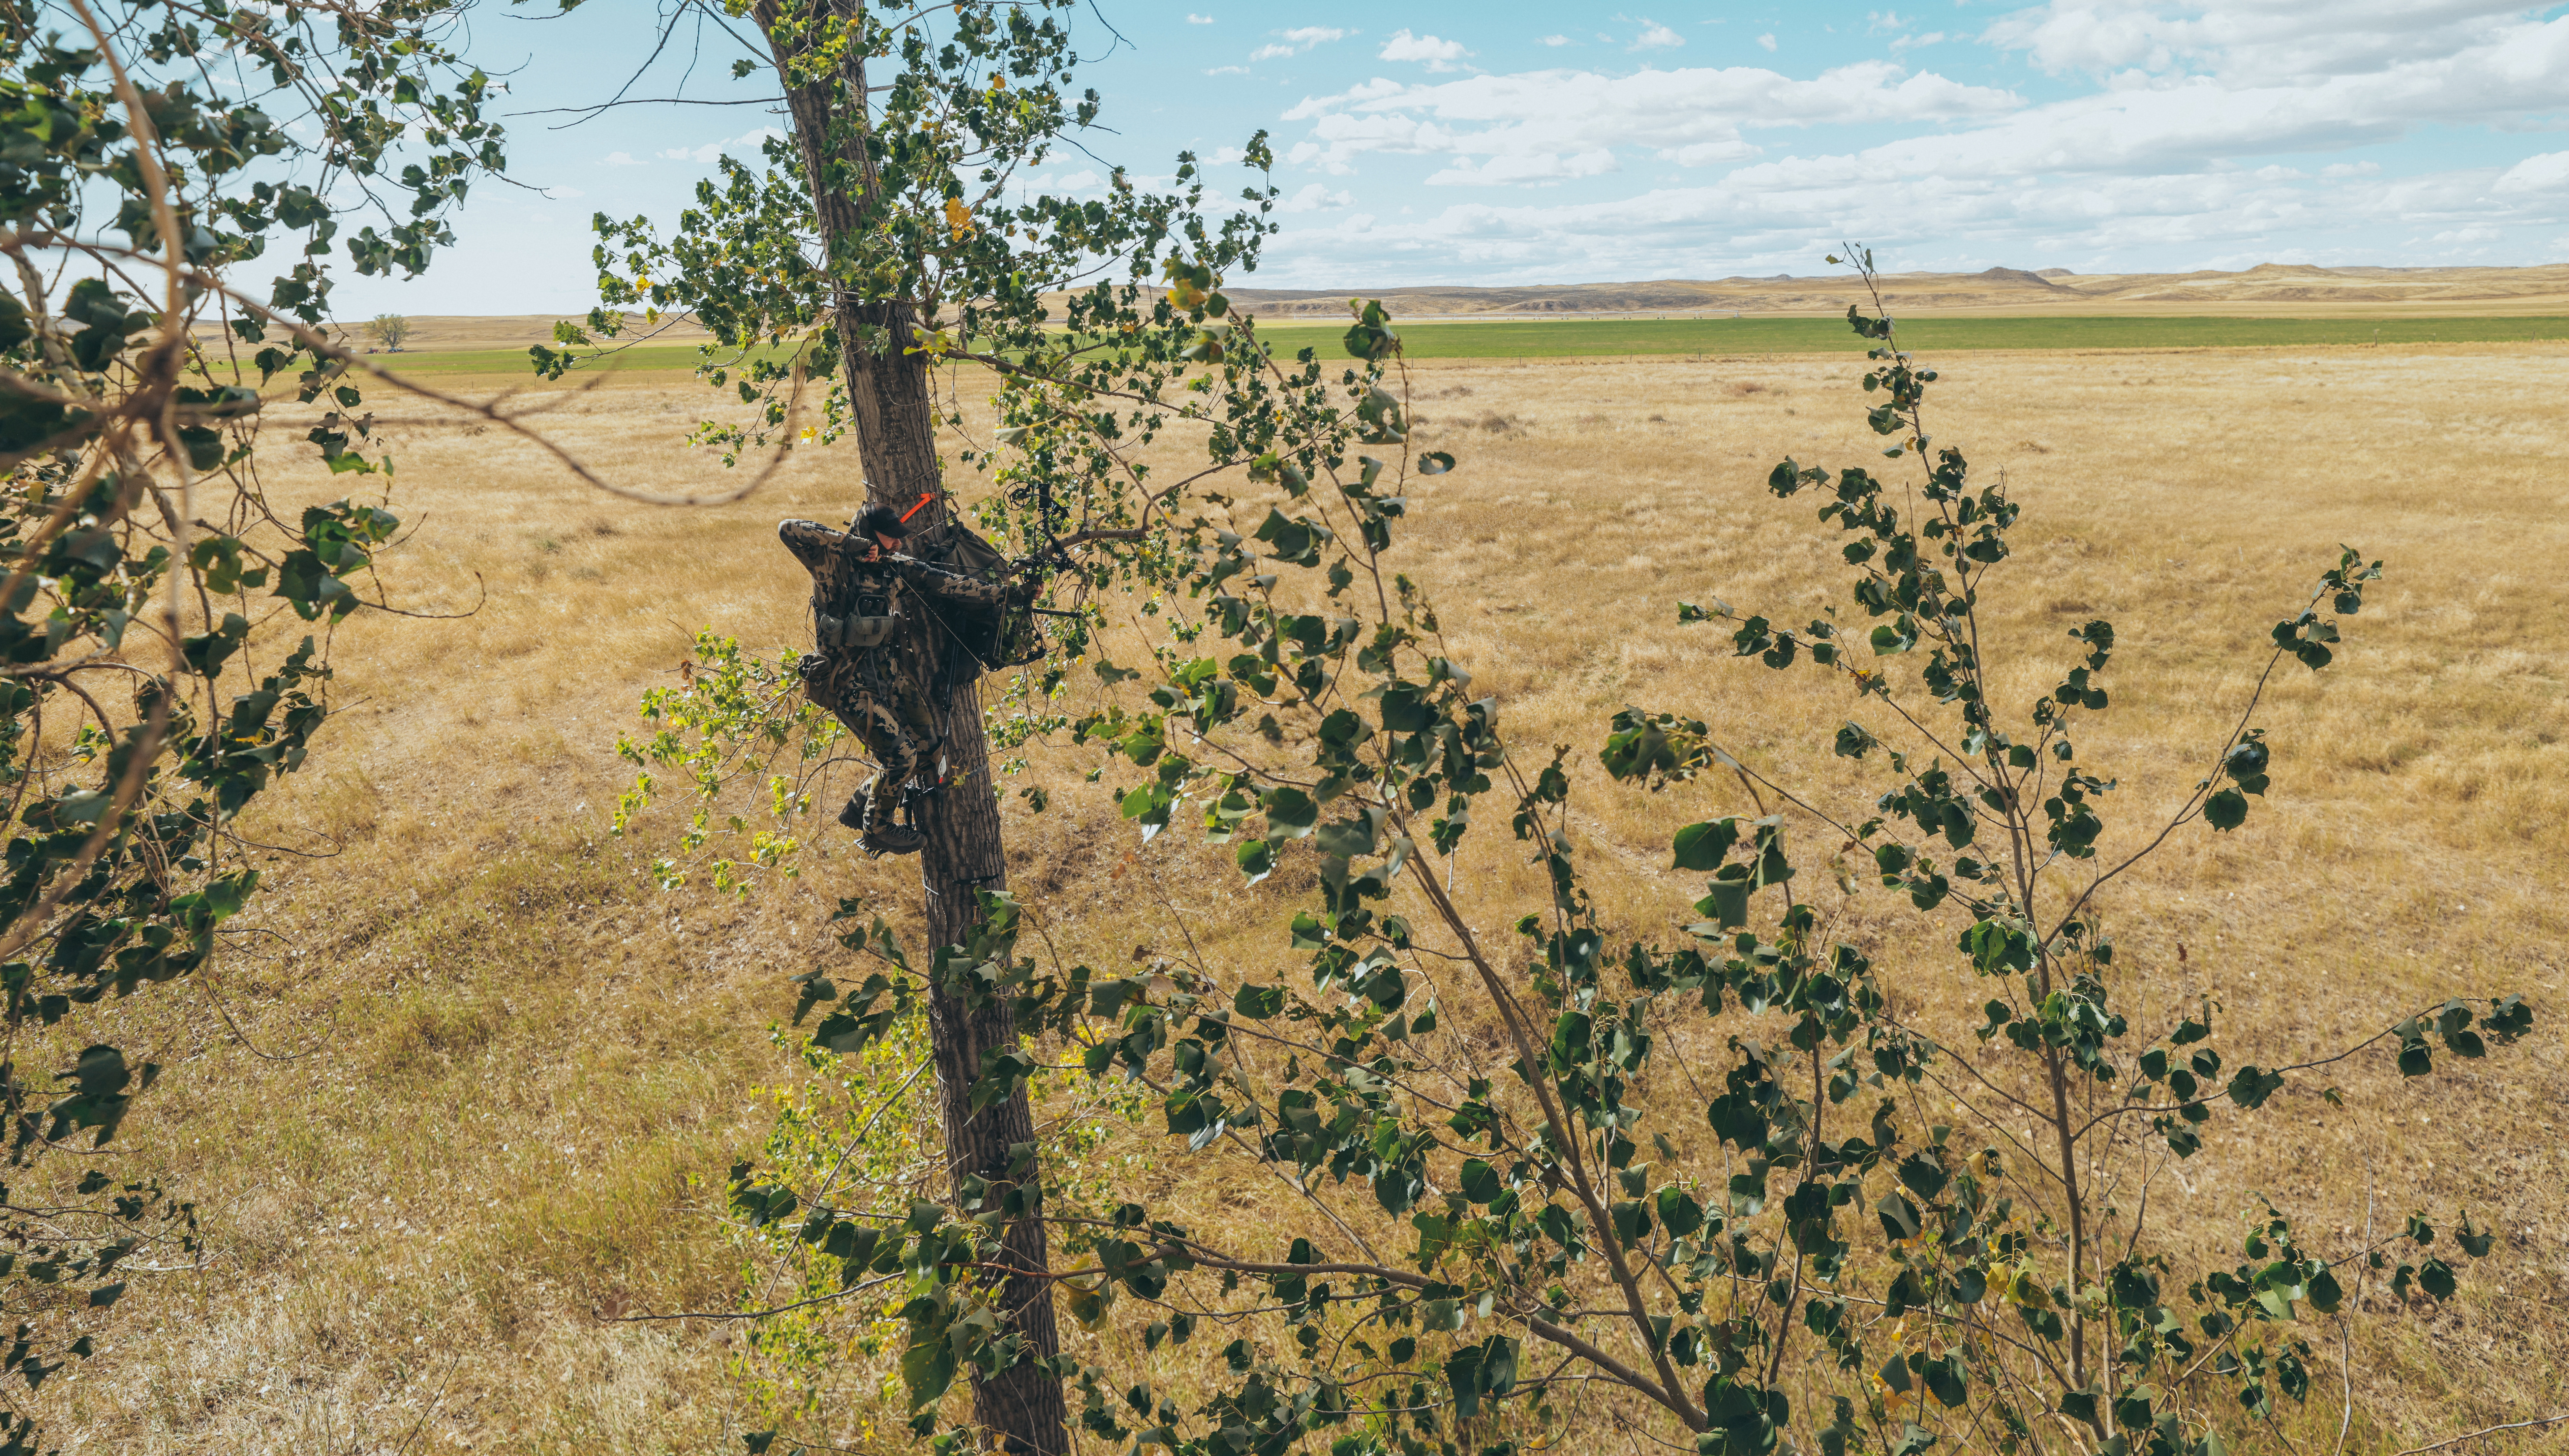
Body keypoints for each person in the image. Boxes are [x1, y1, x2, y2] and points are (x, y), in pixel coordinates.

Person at [778, 503, 1026, 856]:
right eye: (889, 538)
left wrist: (1008, 596)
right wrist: (849, 544)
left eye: (899, 539)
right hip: (844, 683)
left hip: (889, 678)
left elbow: (950, 585)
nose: (897, 545)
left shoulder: (896, 569)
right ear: (867, 533)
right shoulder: (829, 565)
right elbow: (788, 528)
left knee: (928, 749)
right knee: (901, 759)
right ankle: (876, 828)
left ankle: (860, 803)